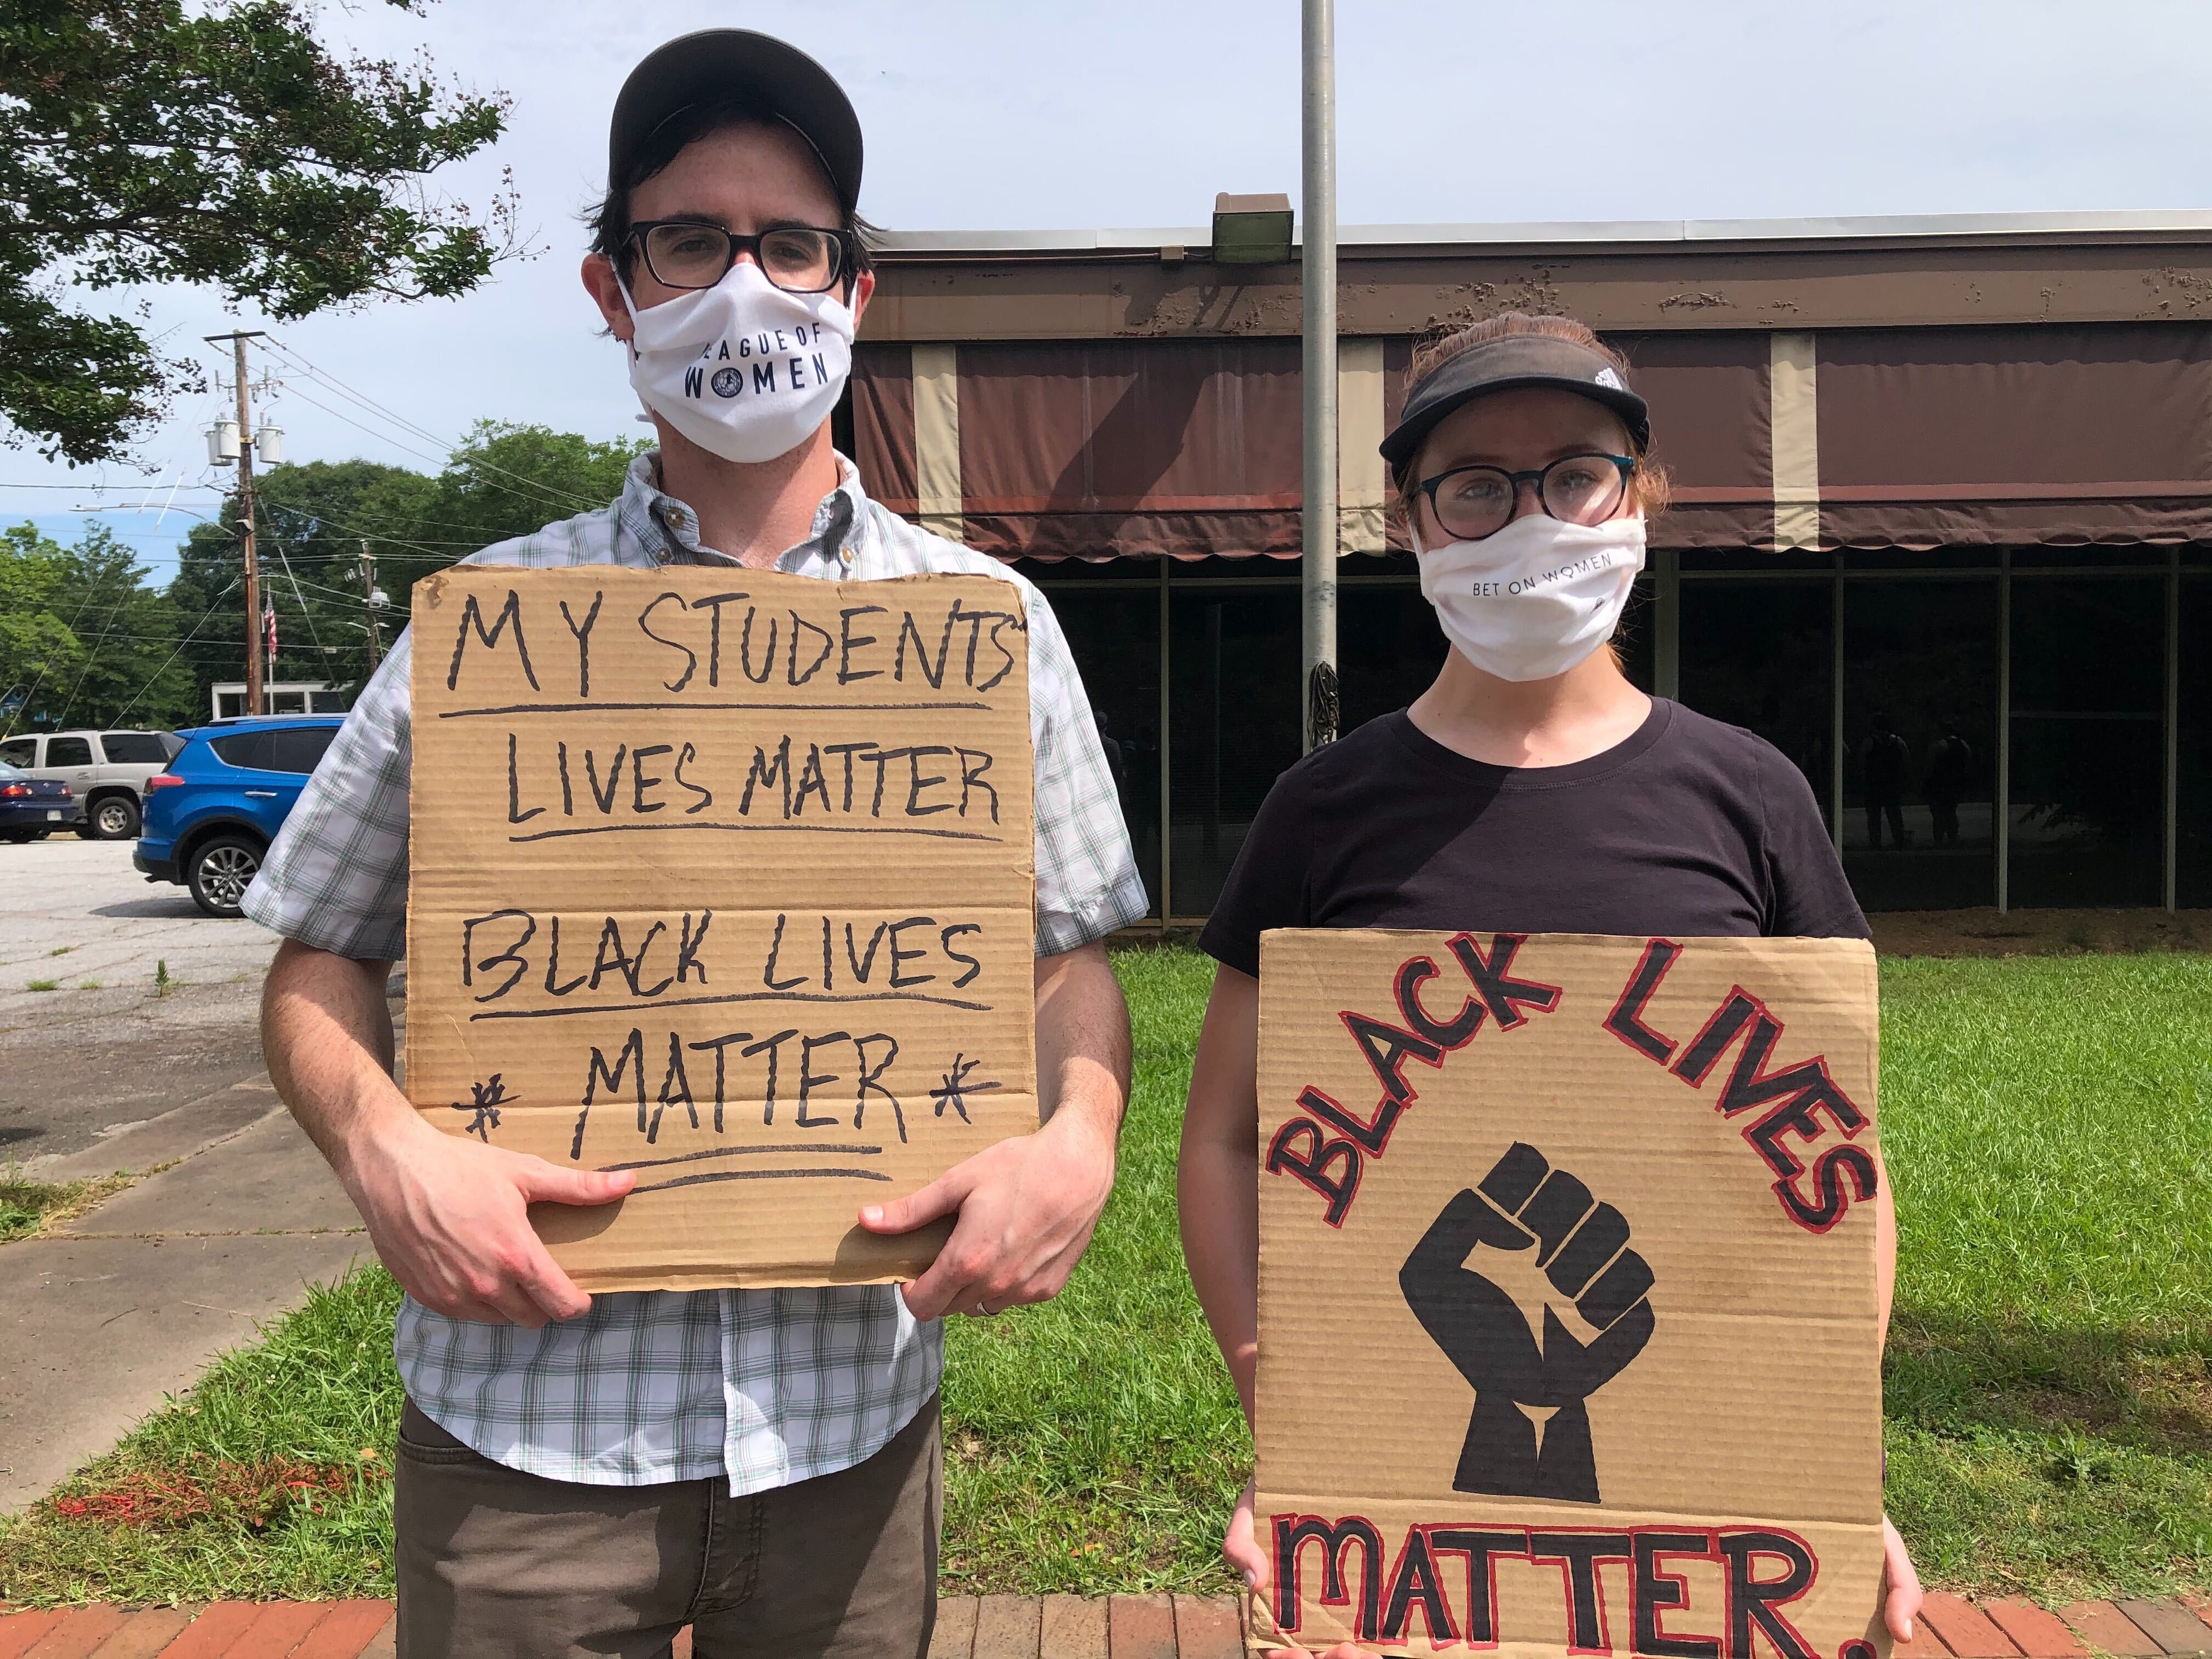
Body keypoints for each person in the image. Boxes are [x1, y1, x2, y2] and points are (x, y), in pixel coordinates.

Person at [247, 30, 1150, 1658]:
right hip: (520, 1429)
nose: (747, 283)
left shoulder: (983, 629)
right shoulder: (491, 628)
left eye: (790, 244)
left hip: (849, 1437)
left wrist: (1078, 1132)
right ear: (618, 289)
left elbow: (1067, 952)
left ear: (853, 289)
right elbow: (318, 951)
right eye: (690, 240)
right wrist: (383, 1150)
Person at [1175, 312, 1923, 1657]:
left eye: (1573, 473)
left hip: (1711, 1484)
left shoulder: (1748, 799)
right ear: (1409, 521)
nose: (1528, 519)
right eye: (1474, 486)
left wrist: (1824, 1450)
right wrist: (1292, 1424)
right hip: (1402, 1515)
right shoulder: (1321, 812)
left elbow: (1835, 1164)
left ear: (1637, 495)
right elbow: (1227, 1137)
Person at [1861, 709, 1913, 850]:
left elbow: (1863, 762)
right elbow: (1906, 760)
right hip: (1892, 782)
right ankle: (1899, 840)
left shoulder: (1869, 741)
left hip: (1874, 783)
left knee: (1874, 815)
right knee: (1895, 814)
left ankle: (1876, 842)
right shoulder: (1897, 741)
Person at [1926, 717, 1973, 847]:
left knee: (1938, 813)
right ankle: (1953, 836)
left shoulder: (1938, 746)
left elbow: (1930, 766)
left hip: (1939, 784)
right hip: (1957, 783)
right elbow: (1968, 764)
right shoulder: (1963, 745)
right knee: (1951, 810)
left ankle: (1939, 838)